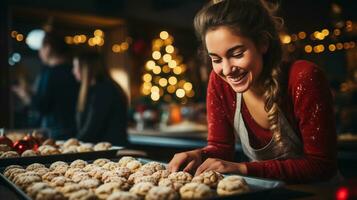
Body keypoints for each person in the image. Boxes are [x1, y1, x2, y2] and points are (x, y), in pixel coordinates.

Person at [168, 0, 339, 184]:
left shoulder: (303, 77)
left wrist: (243, 169)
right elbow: (221, 148)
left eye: (237, 54)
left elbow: (321, 165)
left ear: (263, 43)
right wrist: (199, 155)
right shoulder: (219, 82)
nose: (226, 70)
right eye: (216, 59)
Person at [13, 31, 79, 139]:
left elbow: (42, 106)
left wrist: (25, 94)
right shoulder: (73, 70)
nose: (40, 53)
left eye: (41, 49)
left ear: (48, 48)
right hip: (74, 128)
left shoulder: (50, 73)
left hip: (55, 132)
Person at [72, 52, 129, 146]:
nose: (73, 71)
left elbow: (92, 129)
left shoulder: (103, 91)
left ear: (86, 69)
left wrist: (74, 145)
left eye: (75, 67)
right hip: (105, 147)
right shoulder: (101, 88)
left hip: (110, 148)